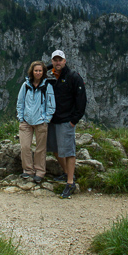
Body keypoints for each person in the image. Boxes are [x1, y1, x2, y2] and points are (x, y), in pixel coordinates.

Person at [46, 49, 86, 199]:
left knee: (68, 151)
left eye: (60, 60)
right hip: (52, 120)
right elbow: (32, 72)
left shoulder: (73, 77)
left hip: (66, 121)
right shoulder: (50, 76)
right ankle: (67, 174)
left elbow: (81, 101)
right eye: (54, 60)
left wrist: (73, 121)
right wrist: (48, 67)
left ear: (65, 61)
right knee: (55, 149)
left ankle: (70, 183)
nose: (57, 62)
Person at [16, 60, 55, 183]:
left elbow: (51, 105)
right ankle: (28, 171)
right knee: (25, 146)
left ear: (43, 72)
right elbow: (20, 102)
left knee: (40, 148)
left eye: (40, 70)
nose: (38, 72)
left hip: (41, 122)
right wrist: (21, 118)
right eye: (36, 70)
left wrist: (46, 119)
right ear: (32, 72)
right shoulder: (25, 86)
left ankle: (39, 172)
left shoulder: (47, 87)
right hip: (26, 122)